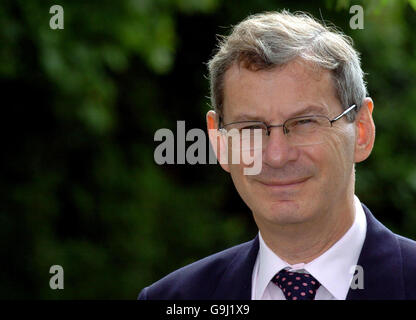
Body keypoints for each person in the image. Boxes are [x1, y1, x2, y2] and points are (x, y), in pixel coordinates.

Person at [138, 10, 416, 300]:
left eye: (305, 122)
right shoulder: (173, 299)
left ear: (361, 130)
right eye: (251, 127)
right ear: (219, 142)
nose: (277, 155)